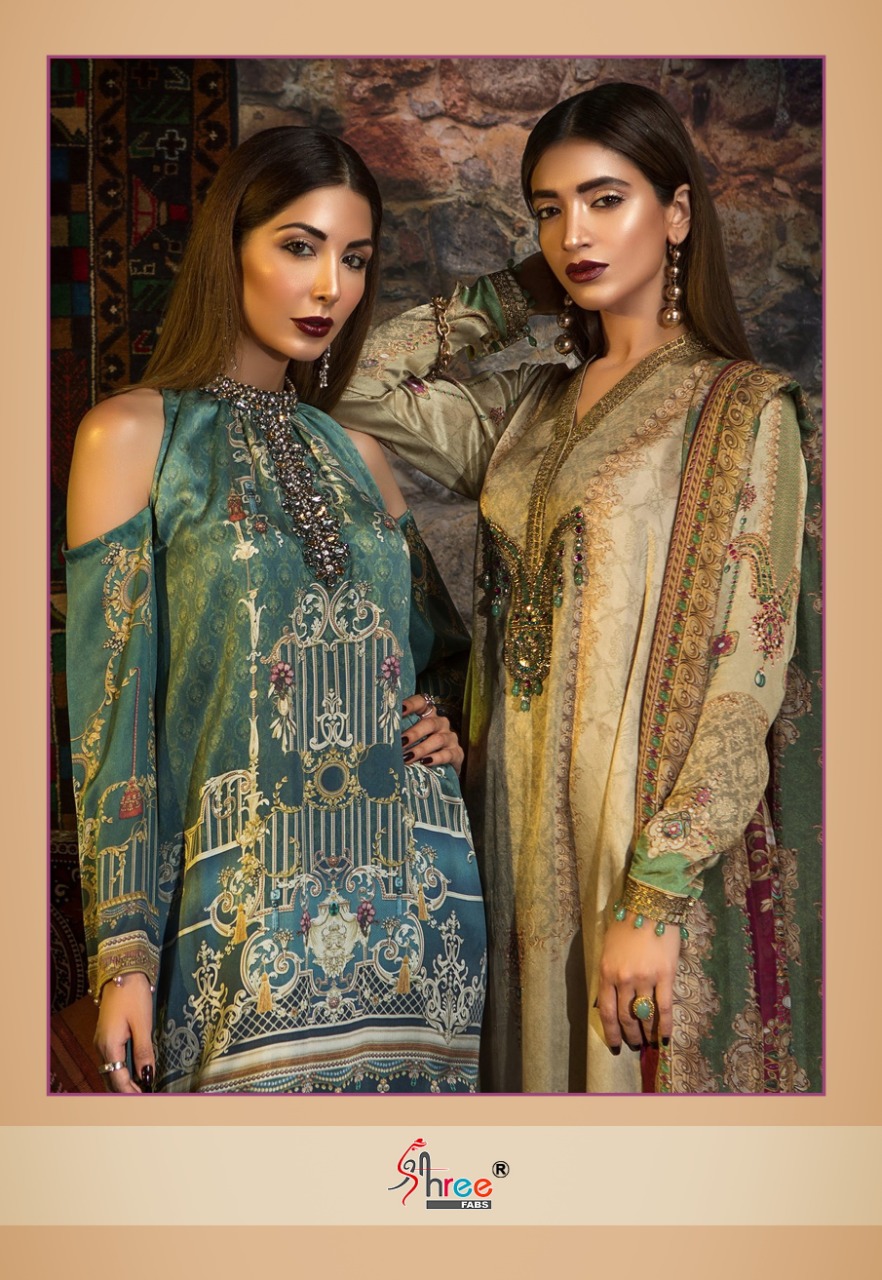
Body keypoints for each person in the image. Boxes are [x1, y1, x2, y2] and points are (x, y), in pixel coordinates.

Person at [339, 82, 822, 1094]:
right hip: (507, 838)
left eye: (606, 200)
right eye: (548, 211)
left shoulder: (740, 411)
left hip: (636, 850)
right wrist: (522, 289)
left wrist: (656, 892)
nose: (574, 235)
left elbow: (746, 676)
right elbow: (357, 380)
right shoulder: (529, 408)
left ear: (677, 213)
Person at [65, 126, 486, 1094]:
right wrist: (123, 957)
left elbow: (439, 656)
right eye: (301, 246)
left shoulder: (360, 457)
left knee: (410, 1185)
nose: (331, 286)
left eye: (355, 258)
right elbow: (110, 721)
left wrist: (443, 724)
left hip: (416, 923)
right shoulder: (131, 438)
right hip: (237, 925)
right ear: (231, 249)